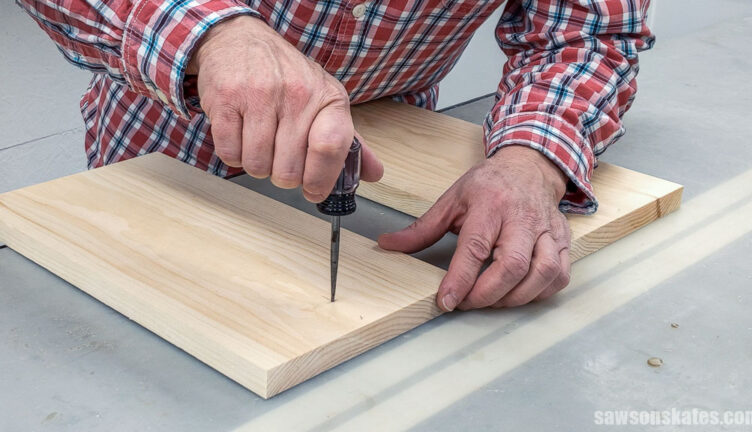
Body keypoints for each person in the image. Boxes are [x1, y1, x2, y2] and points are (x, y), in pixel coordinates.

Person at [18, 0, 654, 311]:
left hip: (387, 142)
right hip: (162, 148)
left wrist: (532, 157)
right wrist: (208, 31)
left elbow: (586, 31)